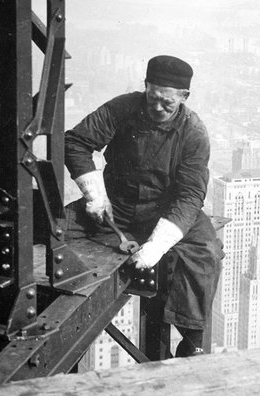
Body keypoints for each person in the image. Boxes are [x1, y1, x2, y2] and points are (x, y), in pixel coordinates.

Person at [64, 55, 223, 358]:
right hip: (116, 205)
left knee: (206, 250)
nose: (158, 108)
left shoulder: (193, 132)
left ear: (184, 97)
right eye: (153, 98)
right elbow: (76, 142)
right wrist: (94, 194)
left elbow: (190, 195)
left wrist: (158, 245)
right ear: (145, 87)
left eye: (167, 103)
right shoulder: (122, 107)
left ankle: (192, 337)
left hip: (165, 211)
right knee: (57, 229)